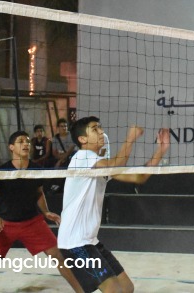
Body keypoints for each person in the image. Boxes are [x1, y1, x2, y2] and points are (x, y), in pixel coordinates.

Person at [58, 117, 170, 293]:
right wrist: (130, 139)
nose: (101, 132)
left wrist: (161, 150)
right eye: (95, 129)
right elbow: (116, 165)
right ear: (82, 139)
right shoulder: (82, 157)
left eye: (100, 127)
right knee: (114, 291)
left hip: (90, 241)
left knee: (127, 288)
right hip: (75, 243)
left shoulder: (97, 165)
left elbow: (138, 177)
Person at [0, 130, 81, 293]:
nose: (26, 144)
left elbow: (39, 193)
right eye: (21, 141)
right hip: (5, 224)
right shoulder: (2, 171)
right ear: (11, 147)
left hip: (32, 223)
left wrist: (46, 212)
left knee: (58, 256)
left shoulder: (36, 169)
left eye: (28, 141)